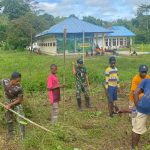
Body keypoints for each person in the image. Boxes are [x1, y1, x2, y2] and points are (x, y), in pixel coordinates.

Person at [0, 72, 26, 139]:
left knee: (21, 118)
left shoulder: (19, 87)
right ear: (12, 79)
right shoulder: (4, 81)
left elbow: (20, 100)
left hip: (16, 103)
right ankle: (10, 134)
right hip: (7, 101)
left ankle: (23, 137)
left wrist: (10, 105)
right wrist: (8, 104)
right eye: (17, 81)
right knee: (8, 118)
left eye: (19, 81)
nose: (18, 82)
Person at [131, 78, 150, 149]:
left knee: (137, 129)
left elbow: (135, 93)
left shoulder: (146, 80)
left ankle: (133, 148)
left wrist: (137, 106)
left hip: (143, 106)